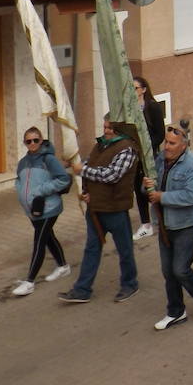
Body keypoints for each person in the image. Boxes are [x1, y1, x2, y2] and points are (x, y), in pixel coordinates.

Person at [58, 117, 140, 304]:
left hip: (115, 209)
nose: (106, 131)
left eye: (110, 128)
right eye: (104, 126)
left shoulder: (127, 148)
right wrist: (86, 192)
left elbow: (111, 175)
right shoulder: (100, 146)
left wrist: (81, 171)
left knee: (124, 249)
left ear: (119, 129)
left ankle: (130, 283)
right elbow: (90, 166)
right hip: (95, 209)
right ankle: (82, 289)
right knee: (92, 249)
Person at [147, 119, 193, 330]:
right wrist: (146, 185)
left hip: (186, 226)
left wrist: (161, 196)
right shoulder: (160, 159)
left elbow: (191, 197)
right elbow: (152, 186)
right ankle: (176, 312)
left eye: (172, 143)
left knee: (180, 270)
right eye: (166, 142)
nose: (166, 147)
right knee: (168, 272)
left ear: (184, 145)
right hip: (165, 224)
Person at [12, 127, 71, 297]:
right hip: (32, 209)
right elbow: (18, 180)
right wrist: (21, 193)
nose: (32, 144)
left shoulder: (49, 159)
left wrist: (41, 191)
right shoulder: (23, 161)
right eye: (28, 141)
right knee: (48, 238)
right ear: (24, 143)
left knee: (39, 241)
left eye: (35, 140)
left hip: (49, 207)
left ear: (41, 140)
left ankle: (29, 281)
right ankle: (63, 266)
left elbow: (63, 179)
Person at [132, 76, 164, 240]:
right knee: (138, 188)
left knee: (151, 187)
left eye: (135, 88)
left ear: (143, 89)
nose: (133, 92)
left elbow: (160, 134)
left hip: (151, 155)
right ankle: (146, 225)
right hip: (135, 155)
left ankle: (161, 218)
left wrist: (148, 148)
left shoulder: (153, 107)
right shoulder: (130, 109)